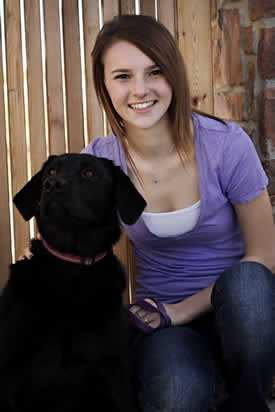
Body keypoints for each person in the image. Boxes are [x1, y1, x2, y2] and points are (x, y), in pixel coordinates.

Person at [25, 14, 275, 412]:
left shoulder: (226, 146)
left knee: (249, 283)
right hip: (159, 325)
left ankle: (251, 399)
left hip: (238, 315)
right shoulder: (98, 163)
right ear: (104, 85)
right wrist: (41, 260)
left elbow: (265, 256)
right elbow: (67, 240)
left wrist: (179, 311)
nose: (140, 90)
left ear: (173, 74)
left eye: (154, 71)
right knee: (176, 393)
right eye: (123, 76)